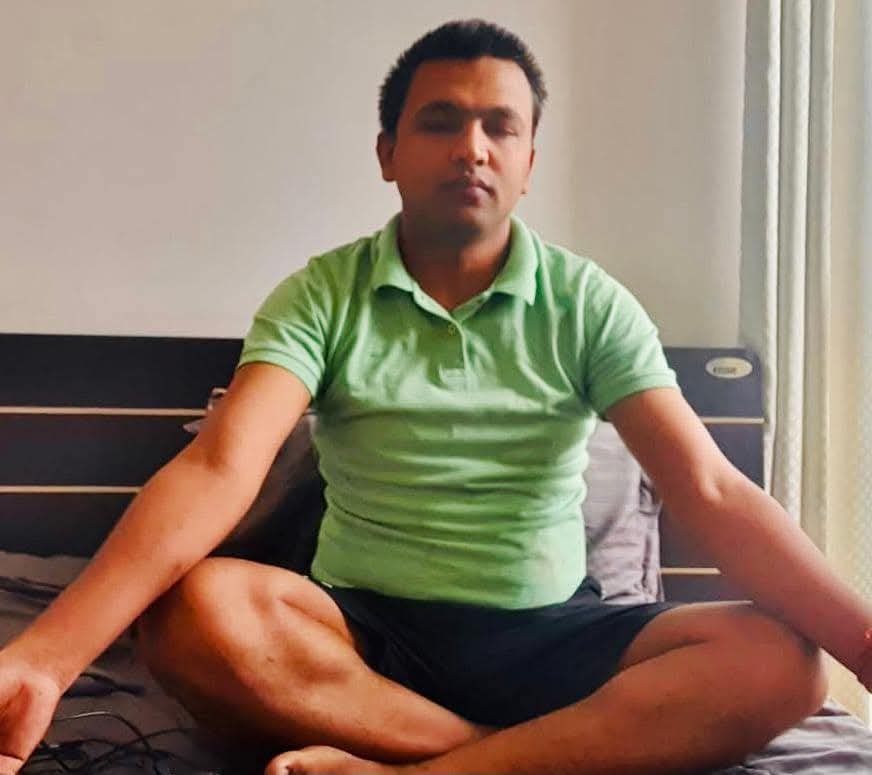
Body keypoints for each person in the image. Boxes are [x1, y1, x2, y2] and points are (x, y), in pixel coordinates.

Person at [1, 18, 870, 775]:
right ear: (388, 153)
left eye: (501, 126)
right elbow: (218, 467)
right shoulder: (322, 295)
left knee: (785, 661)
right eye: (441, 121)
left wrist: (863, 642)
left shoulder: (589, 304)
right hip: (358, 649)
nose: (472, 148)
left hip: (552, 635)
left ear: (528, 162)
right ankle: (513, 755)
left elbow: (709, 490)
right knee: (191, 612)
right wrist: (44, 658)